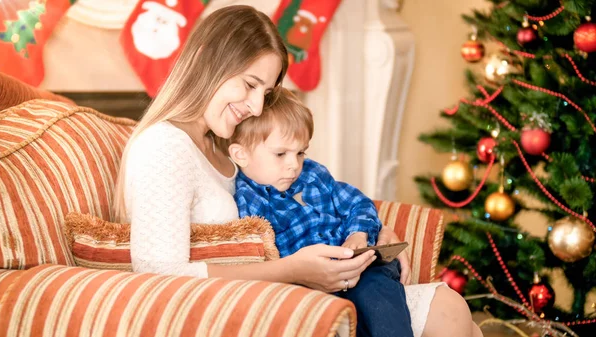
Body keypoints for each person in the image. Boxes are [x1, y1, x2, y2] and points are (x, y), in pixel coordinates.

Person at [114, 5, 483, 337]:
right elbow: (158, 274)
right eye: (249, 84)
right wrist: (293, 270)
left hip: (291, 293)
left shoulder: (221, 143)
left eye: (267, 90)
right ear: (206, 62)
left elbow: (307, 197)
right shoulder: (165, 146)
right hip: (248, 309)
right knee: (449, 314)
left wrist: (374, 232)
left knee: (455, 312)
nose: (258, 106)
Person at [228, 87, 413, 337]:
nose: (294, 165)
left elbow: (359, 204)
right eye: (281, 154)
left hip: (360, 269)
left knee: (374, 288)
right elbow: (263, 265)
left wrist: (358, 234)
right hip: (309, 284)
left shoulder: (314, 174)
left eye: (301, 152)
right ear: (241, 154)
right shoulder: (248, 203)